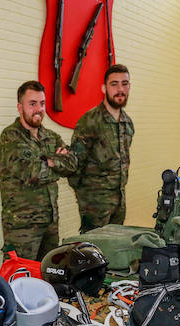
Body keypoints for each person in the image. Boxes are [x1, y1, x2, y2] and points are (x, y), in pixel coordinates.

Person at [0, 81, 77, 260]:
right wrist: (57, 161)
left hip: (50, 223)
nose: (39, 109)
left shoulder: (50, 136)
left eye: (42, 103)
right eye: (32, 104)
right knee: (19, 278)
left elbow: (72, 164)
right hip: (22, 228)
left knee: (48, 275)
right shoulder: (10, 137)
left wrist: (48, 162)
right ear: (20, 107)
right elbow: (31, 173)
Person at [69, 64, 134, 233]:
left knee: (115, 249)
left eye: (125, 83)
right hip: (94, 206)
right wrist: (87, 199)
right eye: (114, 84)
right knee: (93, 252)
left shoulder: (127, 123)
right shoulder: (90, 121)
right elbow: (74, 165)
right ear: (104, 88)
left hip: (119, 202)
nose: (120, 89)